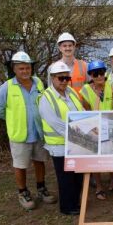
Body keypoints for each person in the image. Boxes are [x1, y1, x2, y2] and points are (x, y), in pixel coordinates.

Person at [0, 51, 57, 210]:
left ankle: (41, 189)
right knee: (20, 165)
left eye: (27, 68)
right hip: (20, 134)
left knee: (40, 161)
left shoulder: (38, 83)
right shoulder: (7, 87)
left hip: (39, 132)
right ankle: (23, 192)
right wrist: (14, 120)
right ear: (14, 69)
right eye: (21, 68)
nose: (25, 71)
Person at [38, 61, 85, 215]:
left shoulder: (71, 92)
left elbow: (82, 111)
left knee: (77, 175)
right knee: (65, 178)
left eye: (67, 78)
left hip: (76, 142)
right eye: (60, 78)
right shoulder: (46, 98)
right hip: (60, 145)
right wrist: (79, 137)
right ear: (52, 78)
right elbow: (55, 124)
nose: (64, 81)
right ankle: (67, 207)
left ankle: (76, 202)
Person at [79, 59, 113, 201]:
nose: (100, 76)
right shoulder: (84, 91)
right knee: (94, 159)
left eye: (101, 73)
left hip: (110, 126)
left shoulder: (112, 86)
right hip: (93, 129)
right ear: (91, 75)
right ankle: (99, 186)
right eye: (95, 74)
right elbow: (85, 110)